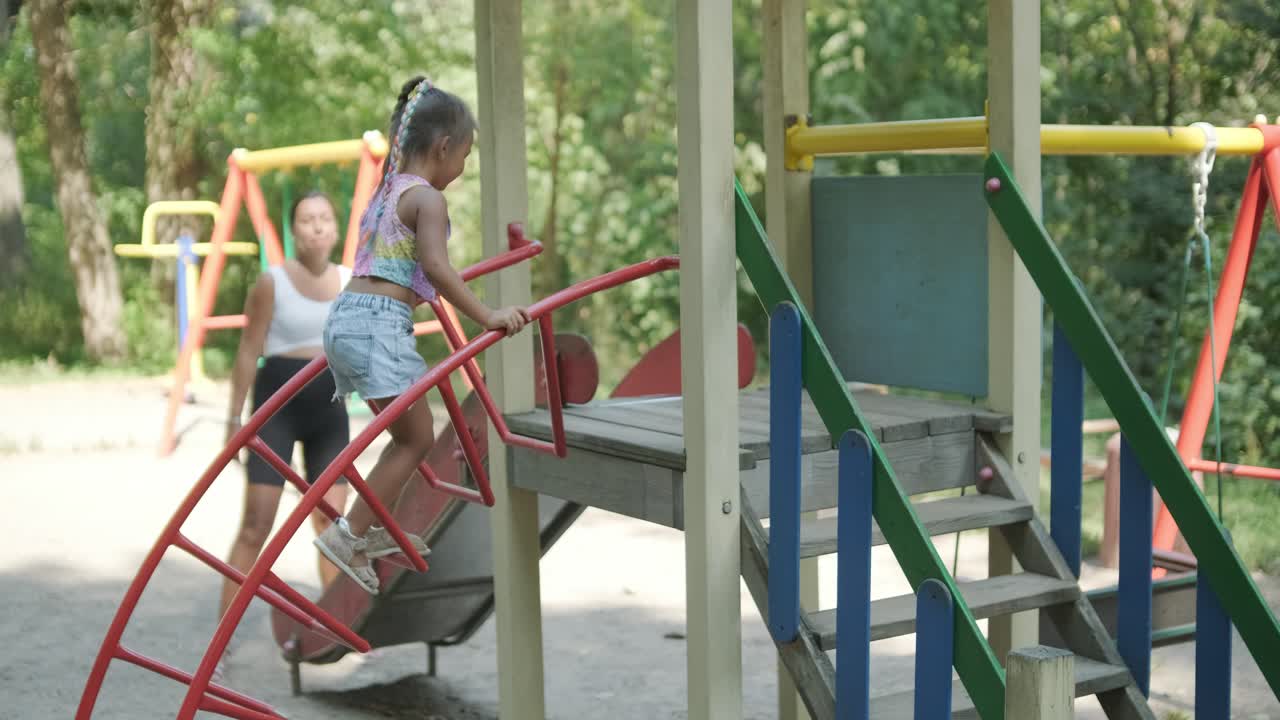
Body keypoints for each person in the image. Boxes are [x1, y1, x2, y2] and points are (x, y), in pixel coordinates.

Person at [315, 76, 530, 594]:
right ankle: (349, 535)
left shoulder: (385, 193)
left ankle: (361, 533)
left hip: (345, 319)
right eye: (466, 155)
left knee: (406, 435)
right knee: (416, 438)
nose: (463, 167)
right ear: (443, 147)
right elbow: (435, 266)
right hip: (378, 326)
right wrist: (487, 314)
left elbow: (394, 267)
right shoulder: (427, 199)